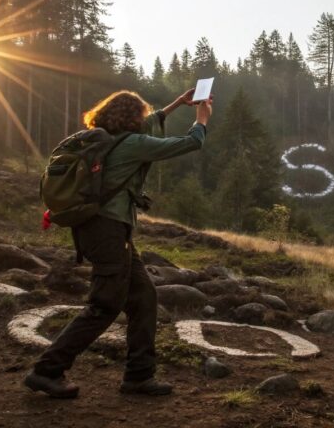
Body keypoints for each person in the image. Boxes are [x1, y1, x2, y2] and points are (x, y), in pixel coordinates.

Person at [24, 88, 212, 398]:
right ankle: (47, 370)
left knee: (143, 297)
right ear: (132, 118)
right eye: (140, 114)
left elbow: (155, 120)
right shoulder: (133, 144)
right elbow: (190, 143)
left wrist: (179, 103)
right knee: (104, 305)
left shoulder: (103, 140)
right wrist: (201, 119)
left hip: (100, 230)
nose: (145, 119)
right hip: (109, 232)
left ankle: (139, 376)